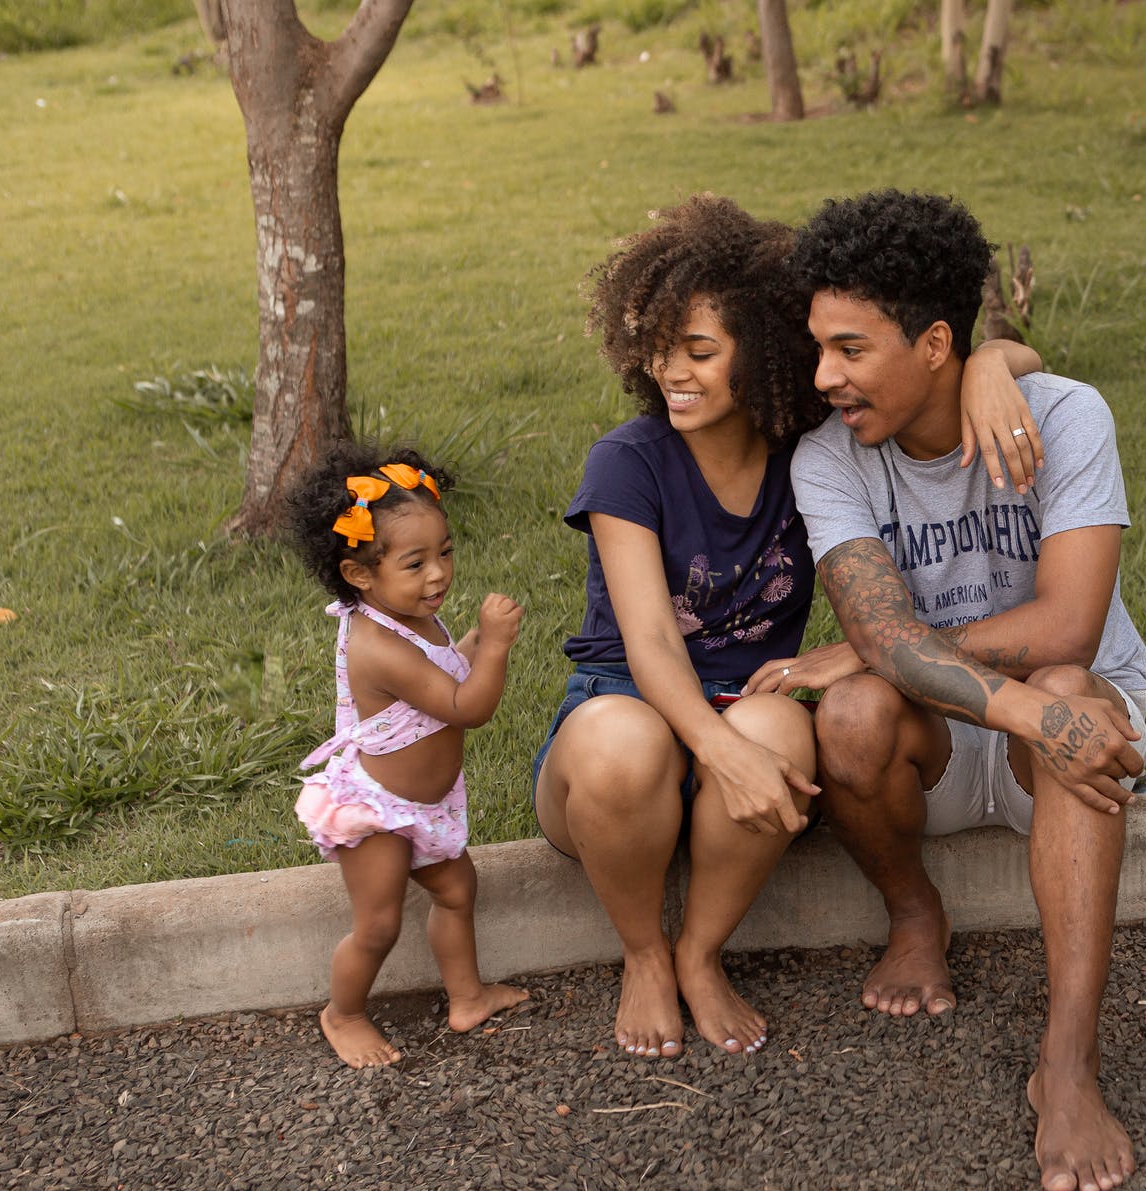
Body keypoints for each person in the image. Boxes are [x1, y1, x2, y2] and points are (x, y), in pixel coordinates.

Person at [533, 194, 1044, 1061]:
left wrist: (992, 357)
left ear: (763, 351)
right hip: (621, 715)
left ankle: (700, 953)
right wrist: (721, 751)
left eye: (700, 351)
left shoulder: (810, 448)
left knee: (774, 722)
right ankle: (646, 953)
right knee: (630, 744)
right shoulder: (627, 461)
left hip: (748, 703)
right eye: (659, 348)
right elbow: (651, 644)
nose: (674, 372)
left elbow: (944, 361)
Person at [756, 189, 1146, 1191]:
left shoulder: (1064, 415)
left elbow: (1064, 627)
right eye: (818, 348)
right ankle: (913, 916)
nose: (824, 377)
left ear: (935, 344)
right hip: (941, 732)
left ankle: (1065, 1061)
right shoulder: (826, 457)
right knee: (847, 712)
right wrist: (883, 658)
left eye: (849, 349)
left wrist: (887, 647)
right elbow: (880, 642)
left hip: (1059, 717)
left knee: (1067, 682)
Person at [286, 443, 529, 1069]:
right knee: (379, 925)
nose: (439, 574)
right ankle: (343, 1014)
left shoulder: (415, 619)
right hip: (379, 811)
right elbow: (466, 704)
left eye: (445, 552)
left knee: (456, 889)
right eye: (416, 562)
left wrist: (473, 640)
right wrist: (495, 647)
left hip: (425, 806)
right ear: (360, 575)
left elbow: (449, 666)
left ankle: (467, 996)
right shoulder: (378, 645)